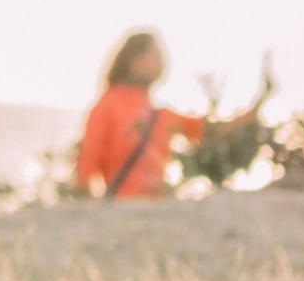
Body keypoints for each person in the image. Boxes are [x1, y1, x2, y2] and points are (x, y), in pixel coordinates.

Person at [76, 32, 237, 199]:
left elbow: (207, 130)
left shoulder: (161, 115)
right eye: (157, 54)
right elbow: (86, 167)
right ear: (136, 61)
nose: (164, 62)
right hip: (121, 213)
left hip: (158, 212)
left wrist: (255, 110)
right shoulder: (107, 106)